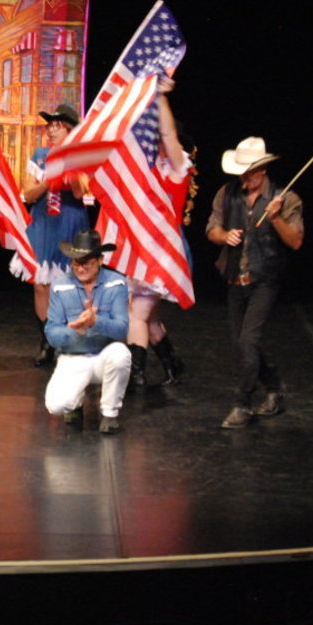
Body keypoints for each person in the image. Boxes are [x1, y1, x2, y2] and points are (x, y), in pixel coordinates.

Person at [206, 137, 304, 429]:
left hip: (265, 280)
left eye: (249, 172)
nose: (244, 178)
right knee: (242, 344)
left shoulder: (285, 198)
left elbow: (295, 241)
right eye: (241, 172)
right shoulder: (227, 194)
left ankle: (243, 403)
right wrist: (224, 236)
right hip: (235, 277)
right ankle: (274, 387)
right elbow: (212, 229)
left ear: (262, 171)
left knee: (248, 340)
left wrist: (276, 218)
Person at [125, 77, 192, 394]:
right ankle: (172, 364)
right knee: (147, 317)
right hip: (144, 249)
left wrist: (161, 97)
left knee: (137, 314)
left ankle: (135, 376)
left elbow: (168, 134)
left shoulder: (178, 169)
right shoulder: (149, 170)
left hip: (163, 251)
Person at [11, 104, 90, 366]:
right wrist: (48, 180)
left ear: (69, 130)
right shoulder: (40, 155)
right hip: (43, 221)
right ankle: (47, 342)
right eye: (50, 126)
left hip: (69, 221)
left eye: (58, 126)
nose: (52, 130)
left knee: (70, 283)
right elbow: (28, 194)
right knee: (40, 284)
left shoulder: (79, 155)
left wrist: (69, 167)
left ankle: (70, 338)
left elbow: (79, 192)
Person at [44, 229, 132, 434]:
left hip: (104, 356)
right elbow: (52, 333)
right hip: (73, 357)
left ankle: (109, 414)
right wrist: (76, 330)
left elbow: (121, 329)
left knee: (121, 354)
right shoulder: (59, 286)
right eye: (76, 263)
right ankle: (74, 404)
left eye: (86, 263)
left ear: (100, 260)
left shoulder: (116, 283)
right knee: (56, 406)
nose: (80, 268)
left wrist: (96, 322)